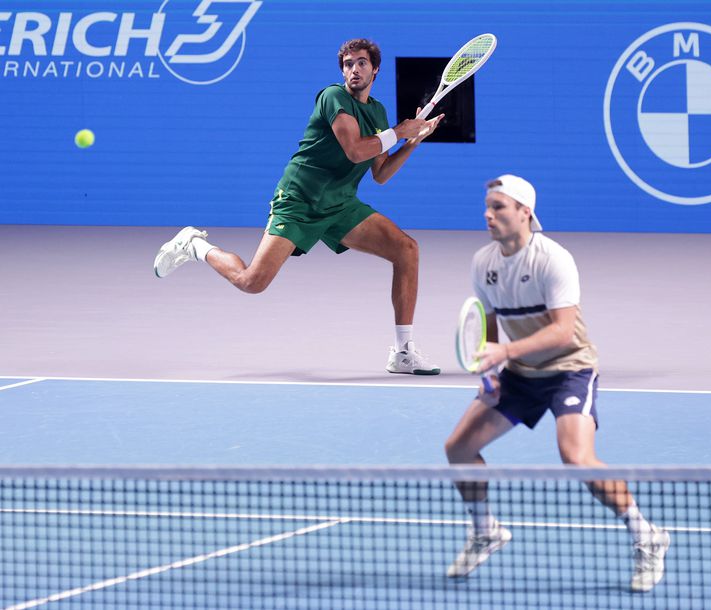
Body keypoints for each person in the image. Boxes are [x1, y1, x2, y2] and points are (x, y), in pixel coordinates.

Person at [153, 38, 443, 375]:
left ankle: (403, 352)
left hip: (340, 204)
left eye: (361, 63)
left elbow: (380, 173)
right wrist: (399, 131)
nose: (353, 70)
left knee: (406, 250)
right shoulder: (333, 97)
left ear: (374, 69)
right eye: (348, 64)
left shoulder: (377, 111)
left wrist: (412, 142)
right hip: (299, 200)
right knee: (252, 282)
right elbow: (353, 150)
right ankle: (196, 245)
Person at [443, 175, 670, 592]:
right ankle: (485, 531)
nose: (487, 214)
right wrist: (491, 373)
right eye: (487, 206)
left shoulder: (553, 259)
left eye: (498, 207)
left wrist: (505, 354)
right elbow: (489, 326)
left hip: (570, 368)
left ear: (525, 212)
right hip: (520, 375)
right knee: (458, 448)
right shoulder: (483, 262)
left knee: (577, 457)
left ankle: (647, 536)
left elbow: (564, 332)